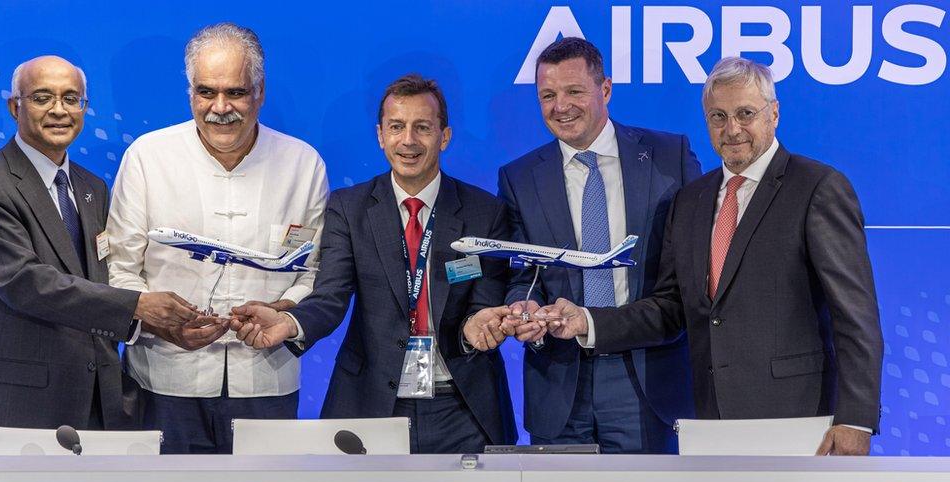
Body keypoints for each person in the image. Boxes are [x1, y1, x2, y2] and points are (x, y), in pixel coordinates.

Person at [542, 57, 883, 455]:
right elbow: (671, 309)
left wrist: (855, 420)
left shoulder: (817, 187)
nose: (732, 129)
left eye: (745, 114)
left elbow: (855, 316)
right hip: (711, 420)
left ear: (774, 113)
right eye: (718, 116)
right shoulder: (691, 200)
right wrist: (587, 320)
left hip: (801, 420)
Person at [231, 74, 517, 454]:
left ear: (444, 136)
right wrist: (290, 323)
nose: (409, 141)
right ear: (381, 135)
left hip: (462, 407)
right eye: (397, 127)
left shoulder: (485, 211)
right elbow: (331, 295)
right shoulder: (350, 208)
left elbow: (485, 298)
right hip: (372, 404)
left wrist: (476, 326)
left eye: (422, 128)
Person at [105, 23, 329, 453]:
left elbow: (315, 274)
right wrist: (159, 320)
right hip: (162, 380)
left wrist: (279, 311)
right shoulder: (147, 158)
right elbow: (119, 267)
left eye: (236, 92)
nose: (219, 107)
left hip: (266, 383)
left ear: (260, 92)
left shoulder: (304, 165)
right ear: (190, 92)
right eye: (206, 92)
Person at [0, 56, 198, 453]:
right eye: (43, 97)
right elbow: (27, 283)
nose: (59, 110)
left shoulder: (91, 186)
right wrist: (139, 306)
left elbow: (98, 284)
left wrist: (152, 327)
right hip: (22, 402)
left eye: (71, 98)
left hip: (101, 400)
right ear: (14, 107)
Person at [496, 37, 701, 453]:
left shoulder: (669, 156)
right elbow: (522, 272)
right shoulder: (518, 177)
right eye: (547, 95)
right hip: (559, 381)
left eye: (574, 91)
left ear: (605, 89)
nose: (560, 106)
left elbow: (689, 273)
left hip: (646, 377)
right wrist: (526, 309)